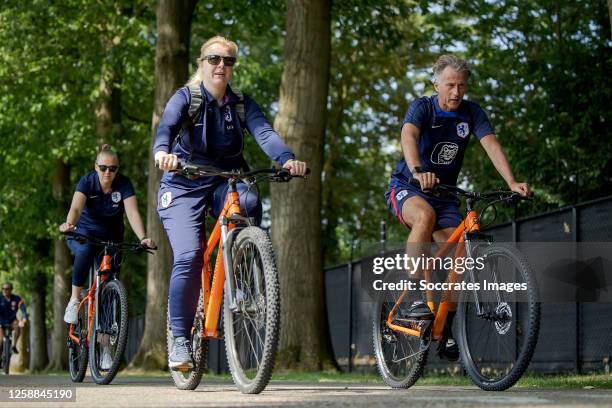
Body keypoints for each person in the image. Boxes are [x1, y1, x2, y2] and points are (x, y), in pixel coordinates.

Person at [154, 36, 307, 370]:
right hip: (184, 182)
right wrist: (162, 153)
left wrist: (286, 158)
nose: (221, 65)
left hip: (227, 179)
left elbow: (264, 132)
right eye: (214, 59)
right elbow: (166, 127)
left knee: (249, 202)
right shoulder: (186, 98)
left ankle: (242, 284)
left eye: (228, 61)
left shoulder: (241, 103)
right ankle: (180, 340)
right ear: (201, 63)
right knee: (190, 255)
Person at [385, 55, 530, 361]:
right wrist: (417, 169)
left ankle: (444, 323)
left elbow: (490, 144)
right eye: (450, 84)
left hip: (445, 194)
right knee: (424, 217)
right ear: (436, 83)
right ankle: (413, 295)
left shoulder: (471, 112)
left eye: (461, 85)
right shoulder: (422, 107)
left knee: (462, 249)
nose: (456, 92)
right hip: (408, 187)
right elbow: (408, 135)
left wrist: (512, 182)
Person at [59, 145, 154, 326]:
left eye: (112, 169)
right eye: (103, 168)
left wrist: (143, 238)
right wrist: (69, 224)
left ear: (117, 169)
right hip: (84, 233)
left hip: (112, 236)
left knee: (109, 283)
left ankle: (105, 346)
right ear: (96, 167)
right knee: (85, 251)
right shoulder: (87, 182)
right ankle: (74, 300)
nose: (107, 173)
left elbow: (132, 213)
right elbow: (76, 208)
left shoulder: (124, 184)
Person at [0, 283, 27, 356]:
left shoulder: (16, 298)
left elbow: (23, 309)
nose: (4, 290)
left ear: (11, 290)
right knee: (0, 341)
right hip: (1, 322)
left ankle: (13, 346)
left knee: (18, 325)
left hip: (12, 321)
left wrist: (24, 319)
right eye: (3, 289)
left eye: (7, 289)